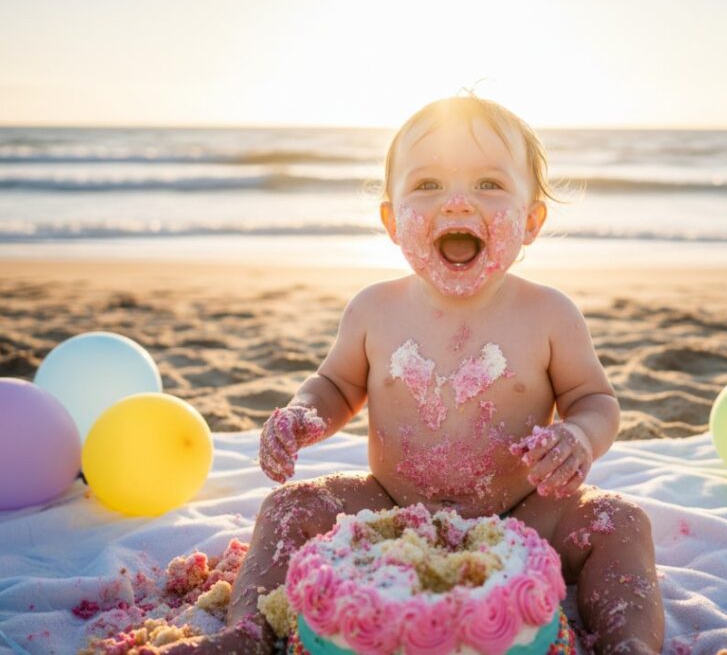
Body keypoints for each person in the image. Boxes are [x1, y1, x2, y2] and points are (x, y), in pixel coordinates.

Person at [167, 95, 664, 654]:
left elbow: (595, 398)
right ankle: (250, 632)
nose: (456, 201)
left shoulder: (549, 314)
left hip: (525, 513)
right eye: (427, 185)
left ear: (531, 222)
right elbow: (336, 385)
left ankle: (628, 643)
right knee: (287, 509)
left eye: (488, 185)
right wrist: (305, 413)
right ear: (391, 221)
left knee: (620, 522)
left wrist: (577, 437)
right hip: (387, 509)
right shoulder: (373, 310)